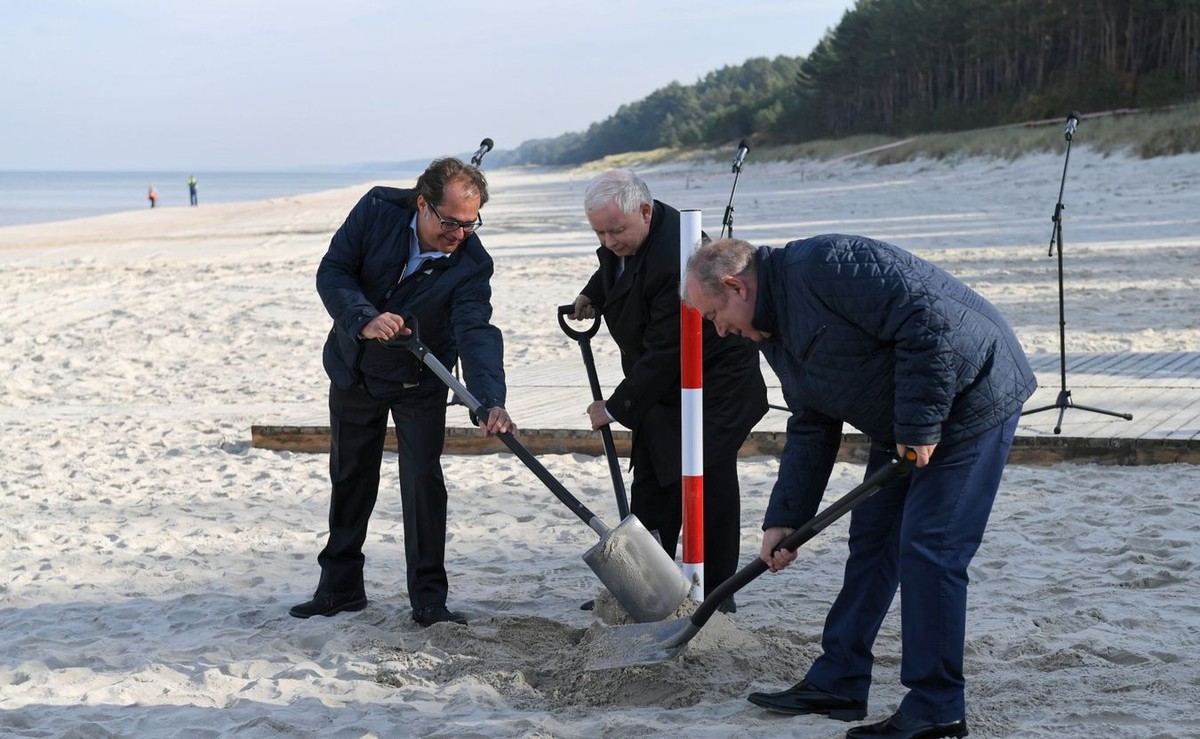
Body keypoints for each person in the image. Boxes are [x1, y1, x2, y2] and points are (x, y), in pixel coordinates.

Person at [684, 236, 1036, 739]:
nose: (718, 330)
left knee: (930, 549)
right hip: (905, 412)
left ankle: (937, 710)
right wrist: (787, 520)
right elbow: (811, 420)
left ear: (736, 285)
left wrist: (918, 428)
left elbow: (927, 323)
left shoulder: (829, 266)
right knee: (872, 539)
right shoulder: (770, 329)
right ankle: (840, 680)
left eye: (714, 314)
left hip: (971, 395)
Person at [291, 157, 515, 628]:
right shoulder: (376, 209)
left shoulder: (472, 264)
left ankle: (430, 602)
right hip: (354, 367)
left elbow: (475, 330)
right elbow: (334, 271)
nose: (459, 235)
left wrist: (489, 399)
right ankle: (340, 588)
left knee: (422, 484)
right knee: (350, 477)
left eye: (470, 226)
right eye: (450, 223)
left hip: (420, 379)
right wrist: (363, 318)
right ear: (422, 205)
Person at [567, 169, 767, 608]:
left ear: (644, 210)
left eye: (615, 230)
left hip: (713, 383)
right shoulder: (627, 234)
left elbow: (668, 347)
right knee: (656, 477)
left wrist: (616, 407)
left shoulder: (679, 252)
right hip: (664, 385)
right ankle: (645, 587)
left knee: (706, 479)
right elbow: (617, 268)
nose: (607, 240)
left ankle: (717, 592)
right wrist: (592, 293)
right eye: (598, 232)